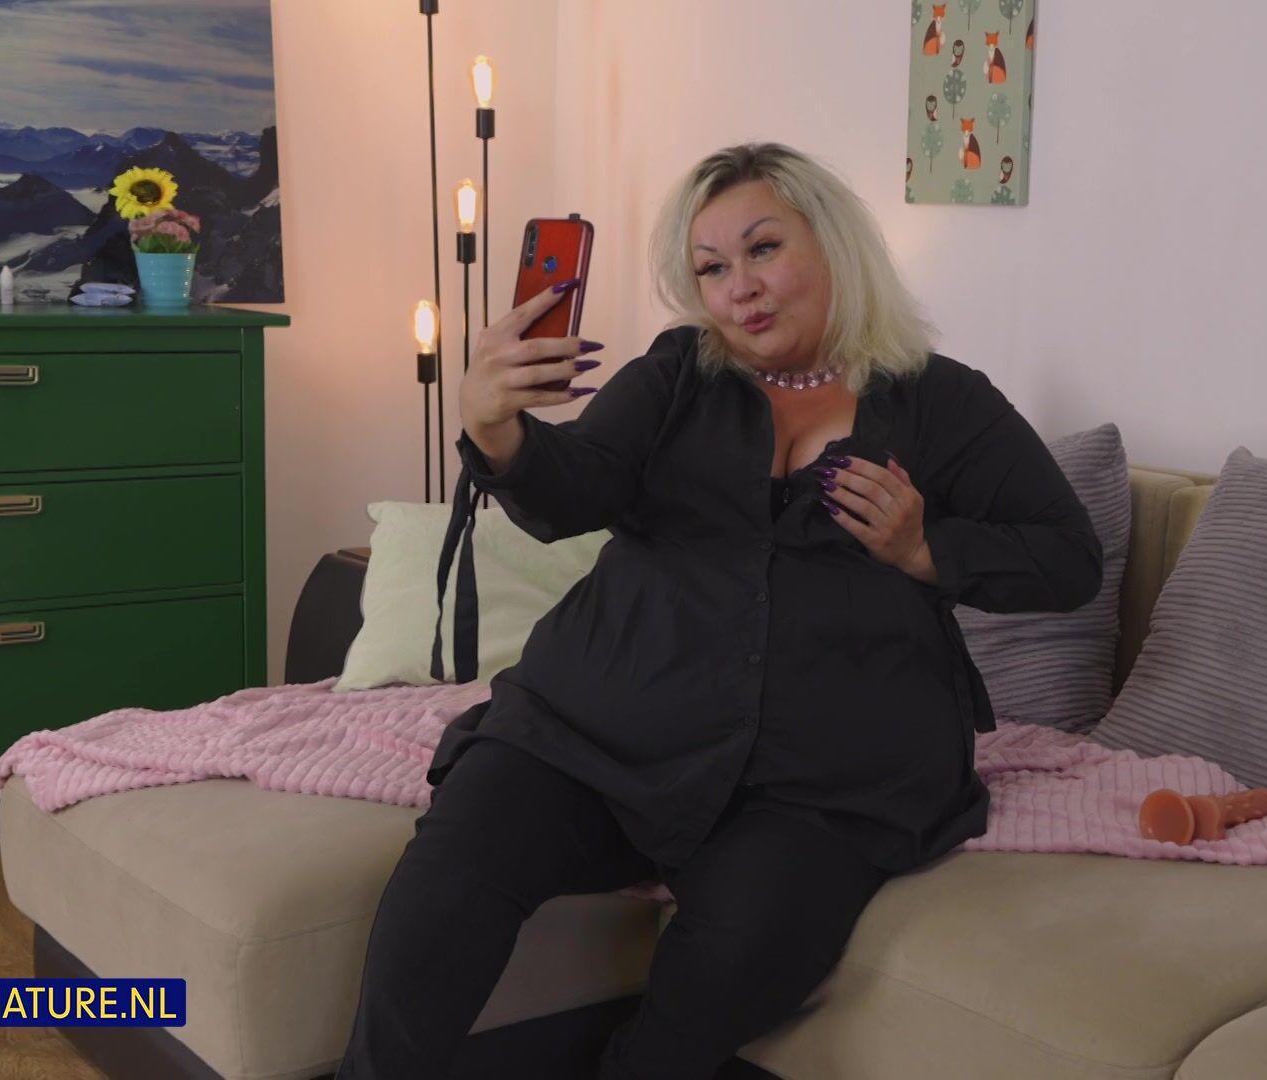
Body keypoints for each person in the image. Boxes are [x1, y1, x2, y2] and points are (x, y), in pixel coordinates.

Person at [338, 142, 1103, 1079]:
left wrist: (923, 548)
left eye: (763, 249)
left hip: (826, 778)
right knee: (456, 868)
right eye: (711, 268)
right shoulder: (676, 376)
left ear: (832, 243)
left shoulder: (943, 402)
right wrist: (493, 426)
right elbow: (571, 489)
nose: (740, 287)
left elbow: (1068, 560)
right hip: (600, 727)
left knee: (729, 967)